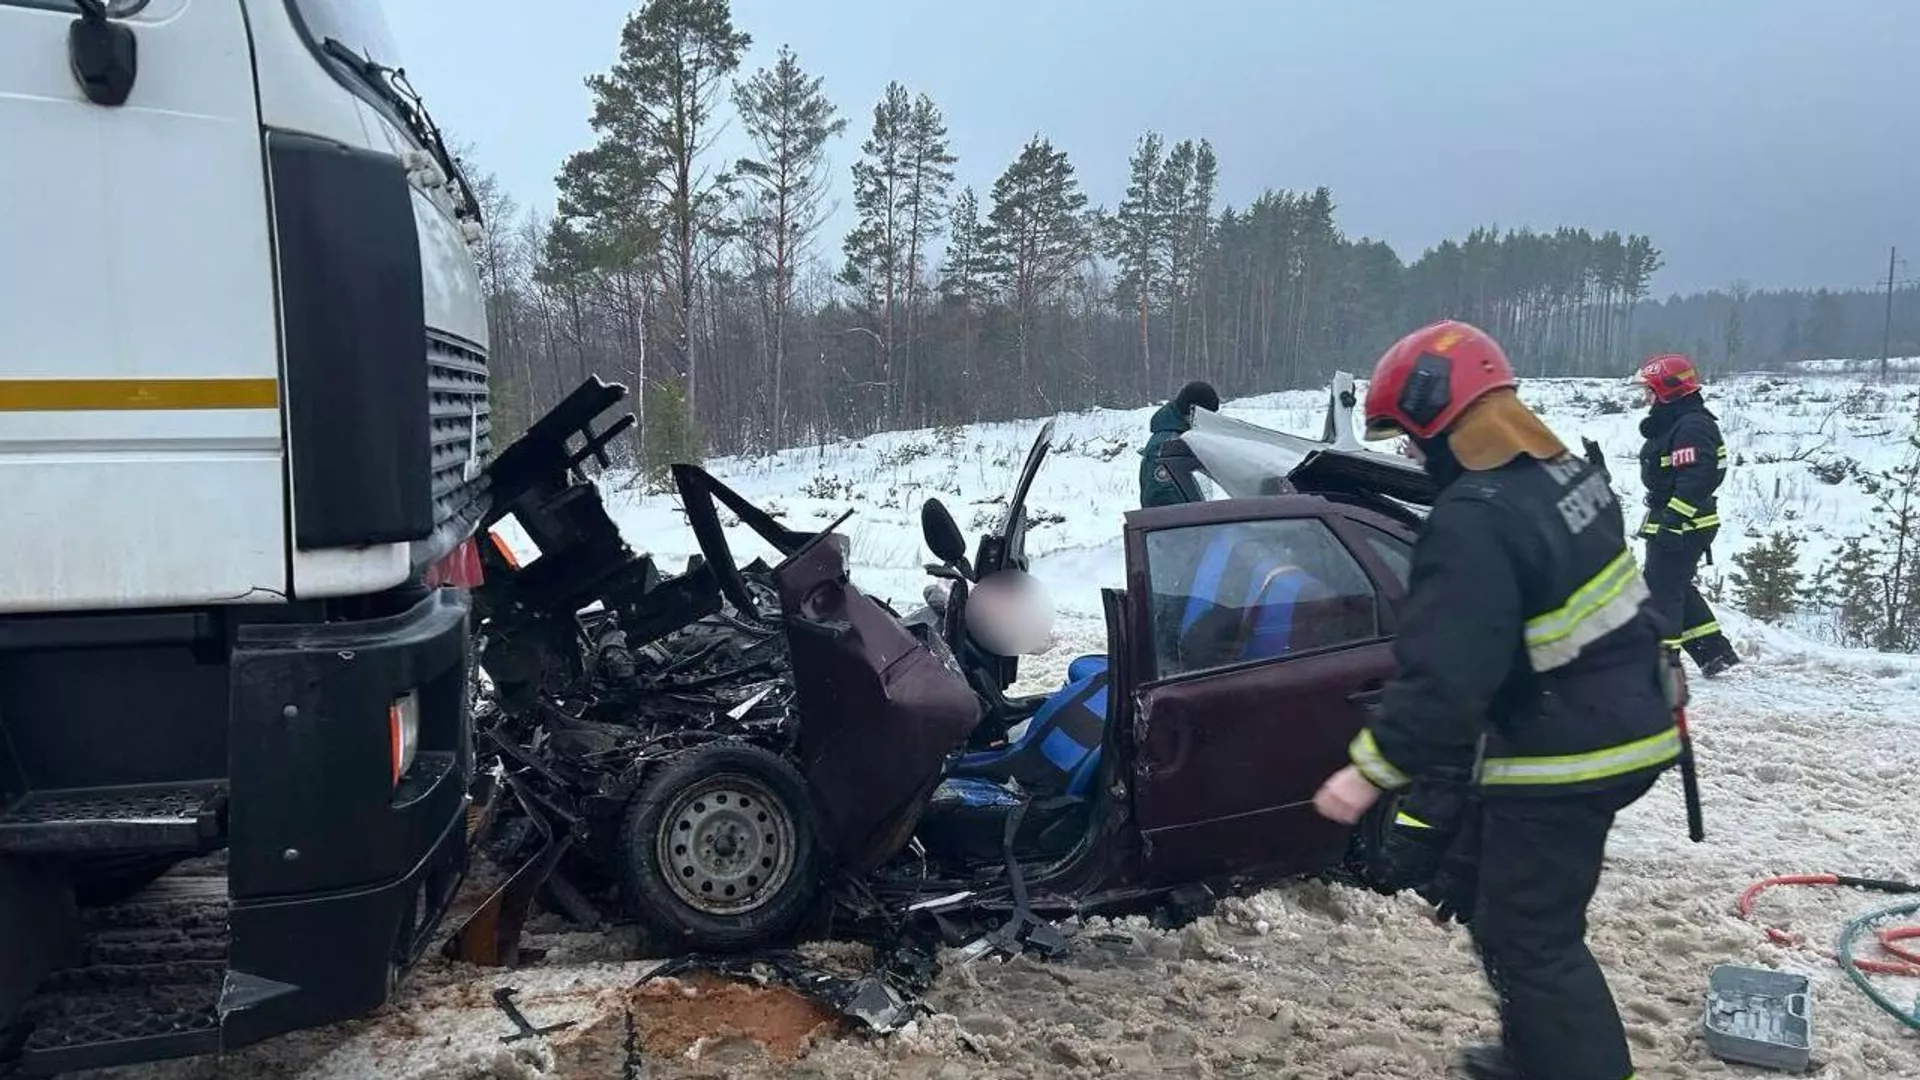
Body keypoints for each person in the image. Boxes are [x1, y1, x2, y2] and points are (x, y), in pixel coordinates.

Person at [1312, 320, 1680, 1080]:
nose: (1415, 457)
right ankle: (1536, 1054)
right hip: (1625, 718)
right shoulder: (1564, 475)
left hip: (1569, 752)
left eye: (1415, 439)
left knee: (1532, 938)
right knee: (1500, 907)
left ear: (1444, 420)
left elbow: (1447, 675)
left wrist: (1369, 770)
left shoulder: (1474, 518)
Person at [1633, 354, 1741, 677]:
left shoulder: (1693, 426)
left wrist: (1675, 520)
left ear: (1667, 391)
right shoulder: (1676, 422)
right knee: (1675, 584)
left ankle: (1662, 665)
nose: (1645, 397)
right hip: (1673, 518)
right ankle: (1713, 652)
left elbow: (1698, 477)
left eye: (1649, 390)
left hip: (1685, 523)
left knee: (1661, 591)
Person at [1138, 380, 1219, 508]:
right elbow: (1161, 500)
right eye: (1207, 416)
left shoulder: (1184, 437)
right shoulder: (1168, 446)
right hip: (1176, 525)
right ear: (1192, 412)